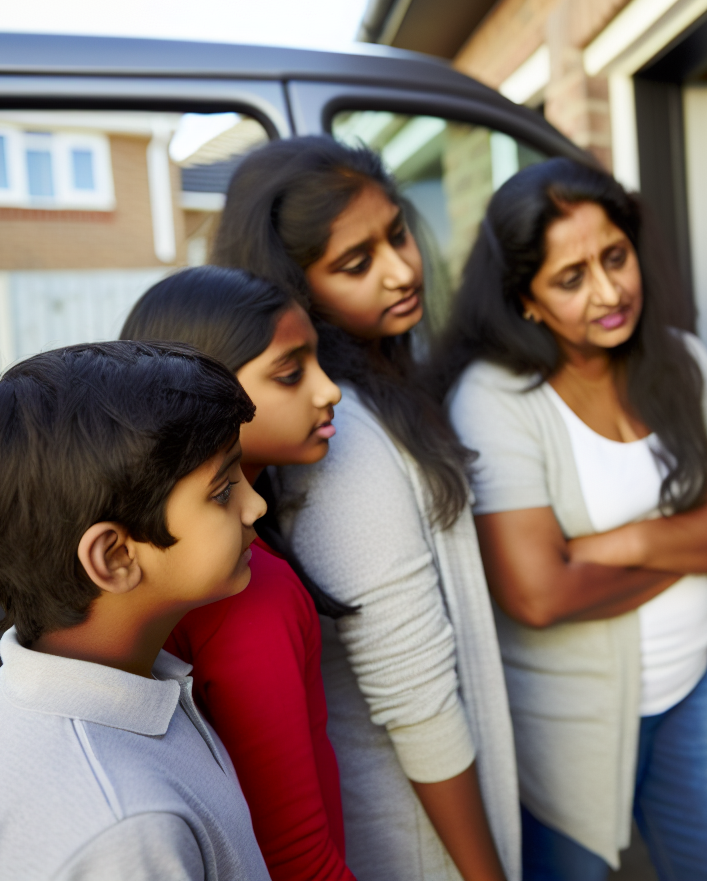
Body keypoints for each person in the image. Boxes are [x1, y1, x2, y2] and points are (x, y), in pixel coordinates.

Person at [440, 158, 707, 881]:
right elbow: (537, 595)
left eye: (615, 257)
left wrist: (620, 543)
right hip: (569, 726)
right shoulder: (496, 399)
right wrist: (703, 532)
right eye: (571, 278)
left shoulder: (678, 358)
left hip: (696, 693)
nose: (609, 290)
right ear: (524, 300)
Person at [215, 136, 517, 881]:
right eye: (356, 264)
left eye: (399, 233)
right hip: (419, 835)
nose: (403, 268)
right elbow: (415, 699)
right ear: (296, 291)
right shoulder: (337, 429)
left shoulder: (373, 388)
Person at [0, 341, 269, 881]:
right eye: (223, 489)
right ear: (114, 557)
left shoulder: (20, 691)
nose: (255, 504)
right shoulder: (125, 828)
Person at [119, 266, 355, 881]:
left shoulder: (183, 564)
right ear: (204, 392)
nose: (330, 390)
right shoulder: (248, 587)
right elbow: (295, 854)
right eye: (290, 372)